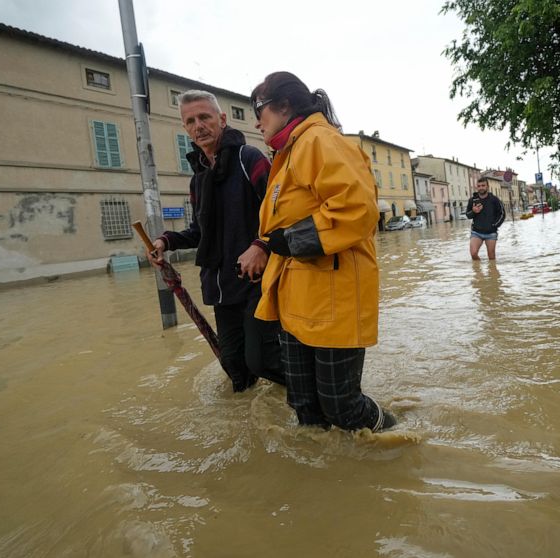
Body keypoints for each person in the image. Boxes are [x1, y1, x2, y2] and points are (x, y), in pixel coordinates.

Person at [249, 71, 396, 432]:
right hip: (297, 299)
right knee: (304, 406)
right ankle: (324, 477)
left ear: (284, 106)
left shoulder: (319, 142)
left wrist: (289, 241)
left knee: (342, 407)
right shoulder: (288, 154)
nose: (256, 120)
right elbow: (280, 224)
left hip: (333, 297)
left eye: (259, 108)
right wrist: (270, 244)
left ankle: (395, 433)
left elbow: (357, 208)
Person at [148, 90, 283, 392]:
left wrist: (261, 244)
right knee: (235, 368)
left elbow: (284, 210)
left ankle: (317, 401)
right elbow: (200, 231)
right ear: (185, 129)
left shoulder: (249, 159)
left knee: (263, 361)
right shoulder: (198, 179)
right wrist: (165, 242)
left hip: (257, 282)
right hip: (221, 288)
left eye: (205, 117)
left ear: (221, 120)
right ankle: (254, 429)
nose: (199, 126)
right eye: (190, 121)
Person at [466, 181, 506, 260]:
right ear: (477, 187)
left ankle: (492, 272)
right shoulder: (472, 200)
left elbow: (502, 214)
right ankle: (478, 271)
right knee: (473, 253)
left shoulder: (494, 199)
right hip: (476, 232)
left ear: (487, 186)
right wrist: (474, 211)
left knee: (491, 257)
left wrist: (495, 225)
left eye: (483, 185)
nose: (481, 188)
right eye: (479, 186)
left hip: (491, 233)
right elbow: (468, 215)